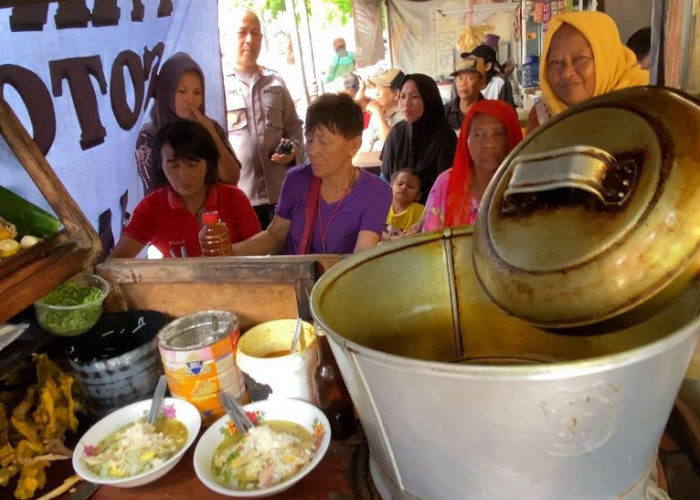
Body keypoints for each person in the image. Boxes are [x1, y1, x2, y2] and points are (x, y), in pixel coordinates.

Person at [232, 93, 391, 256]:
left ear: (354, 145)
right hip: (295, 279)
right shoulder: (296, 180)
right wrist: (226, 253)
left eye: (324, 142)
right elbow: (274, 237)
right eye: (309, 140)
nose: (312, 151)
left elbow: (361, 256)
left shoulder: (376, 192)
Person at [112, 120, 261, 259]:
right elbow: (117, 260)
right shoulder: (151, 207)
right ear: (160, 165)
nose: (183, 175)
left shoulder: (234, 199)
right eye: (173, 165)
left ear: (208, 163)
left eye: (192, 164)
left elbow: (261, 249)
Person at [220, 8, 304, 229]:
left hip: (280, 195)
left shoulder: (275, 82)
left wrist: (293, 150)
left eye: (255, 33)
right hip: (239, 198)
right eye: (241, 33)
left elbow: (294, 127)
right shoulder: (217, 85)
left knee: (286, 254)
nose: (249, 40)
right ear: (225, 38)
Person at [526, 11, 649, 133]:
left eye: (579, 58)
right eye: (556, 62)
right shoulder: (543, 118)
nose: (567, 72)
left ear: (607, 57)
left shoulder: (648, 104)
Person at [135, 52, 240, 195]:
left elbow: (231, 178)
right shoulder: (150, 136)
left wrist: (211, 134)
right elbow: (155, 193)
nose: (190, 99)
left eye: (197, 93)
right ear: (166, 92)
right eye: (182, 91)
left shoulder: (210, 127)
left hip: (214, 214)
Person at [421, 100, 522, 231]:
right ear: (465, 140)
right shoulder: (446, 185)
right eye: (478, 135)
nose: (488, 144)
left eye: (498, 134)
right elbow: (430, 243)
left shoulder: (524, 186)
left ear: (511, 138)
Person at [381, 74, 457, 203]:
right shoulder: (396, 134)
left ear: (429, 100)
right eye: (403, 96)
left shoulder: (445, 138)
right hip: (395, 214)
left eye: (415, 97)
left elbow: (448, 189)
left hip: (433, 214)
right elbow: (384, 179)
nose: (406, 103)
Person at [360, 68, 405, 152]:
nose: (376, 93)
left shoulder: (406, 115)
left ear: (396, 94)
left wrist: (378, 113)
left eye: (380, 88)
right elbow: (367, 145)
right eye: (376, 87)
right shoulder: (376, 114)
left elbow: (393, 146)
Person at [444, 56, 485, 131]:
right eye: (460, 78)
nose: (463, 83)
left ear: (481, 82)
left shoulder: (490, 112)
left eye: (470, 78)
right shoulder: (445, 112)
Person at [383, 168, 424, 241]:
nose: (404, 187)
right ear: (390, 187)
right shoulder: (380, 206)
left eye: (410, 187)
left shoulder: (421, 211)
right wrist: (392, 238)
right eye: (400, 184)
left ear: (418, 196)